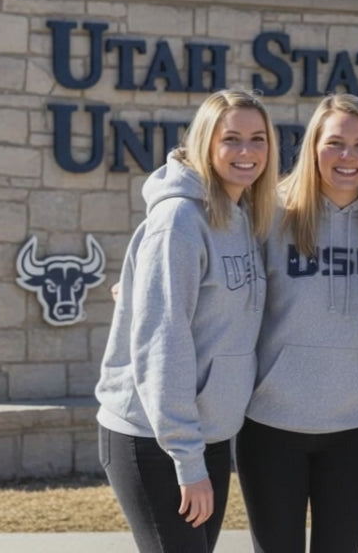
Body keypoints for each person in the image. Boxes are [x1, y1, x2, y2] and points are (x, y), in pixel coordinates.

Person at [95, 88, 278, 553]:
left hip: (207, 434)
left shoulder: (242, 216)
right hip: (153, 437)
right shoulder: (179, 219)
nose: (246, 151)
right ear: (205, 143)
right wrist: (186, 459)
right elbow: (163, 342)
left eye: (258, 139)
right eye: (230, 138)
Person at [236, 94, 358, 553]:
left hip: (355, 425)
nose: (348, 156)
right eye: (335, 143)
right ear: (313, 147)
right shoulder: (268, 211)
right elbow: (214, 272)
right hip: (270, 424)